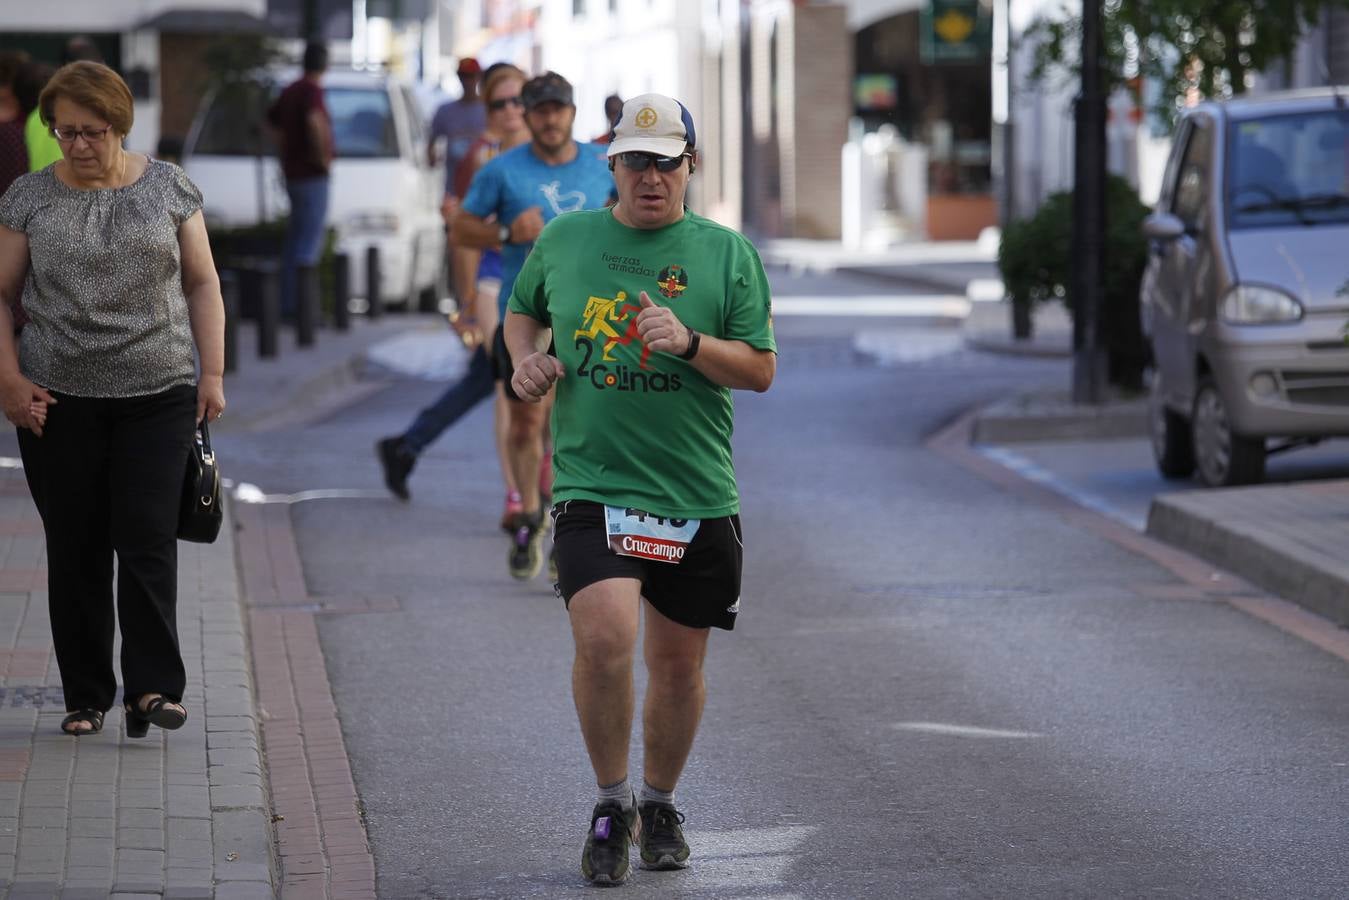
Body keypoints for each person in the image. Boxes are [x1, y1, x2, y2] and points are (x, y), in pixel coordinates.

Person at [503, 93, 775, 884]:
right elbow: (521, 316)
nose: (649, 177)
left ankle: (659, 802)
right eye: (634, 161)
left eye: (666, 162)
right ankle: (609, 800)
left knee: (678, 667)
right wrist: (526, 360)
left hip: (694, 493)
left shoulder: (726, 255)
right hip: (594, 483)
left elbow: (759, 370)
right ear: (610, 164)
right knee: (604, 637)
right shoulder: (566, 239)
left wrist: (689, 342)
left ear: (691, 166)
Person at [0, 61, 226, 738]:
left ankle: (154, 688)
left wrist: (211, 374)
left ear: (119, 124)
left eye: (91, 132)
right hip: (56, 396)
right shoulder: (27, 198)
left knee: (148, 536)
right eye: (63, 132)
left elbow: (203, 283)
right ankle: (87, 694)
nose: (76, 145)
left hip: (157, 392)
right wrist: (8, 381)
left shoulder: (168, 188)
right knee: (76, 547)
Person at [453, 71, 614, 580]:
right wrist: (505, 230)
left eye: (558, 109)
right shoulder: (502, 171)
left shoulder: (602, 165)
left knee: (578, 426)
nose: (550, 119)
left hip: (596, 318)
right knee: (526, 422)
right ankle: (528, 513)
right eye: (539, 110)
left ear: (571, 111)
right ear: (526, 112)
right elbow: (460, 226)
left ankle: (566, 522)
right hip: (527, 314)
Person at [376, 63, 530, 509]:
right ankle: (519, 498)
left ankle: (407, 444)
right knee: (505, 384)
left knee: (488, 379)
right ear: (486, 109)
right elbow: (464, 234)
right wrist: (467, 305)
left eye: (520, 100)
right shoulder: (481, 158)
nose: (512, 111)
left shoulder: (542, 154)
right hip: (494, 288)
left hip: (531, 292)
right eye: (500, 103)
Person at [267, 41, 333, 318]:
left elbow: (270, 123)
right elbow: (314, 121)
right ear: (324, 64)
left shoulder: (290, 89)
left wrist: (284, 154)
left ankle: (287, 304)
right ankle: (303, 311)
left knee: (294, 241)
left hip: (292, 173)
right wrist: (322, 158)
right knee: (309, 242)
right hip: (311, 175)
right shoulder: (311, 90)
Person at [428, 57, 486, 224]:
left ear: (479, 77)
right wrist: (432, 158)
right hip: (454, 191)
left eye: (472, 76)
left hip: (483, 189)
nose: (468, 81)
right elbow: (431, 143)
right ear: (458, 77)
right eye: (464, 76)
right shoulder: (445, 111)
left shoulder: (490, 110)